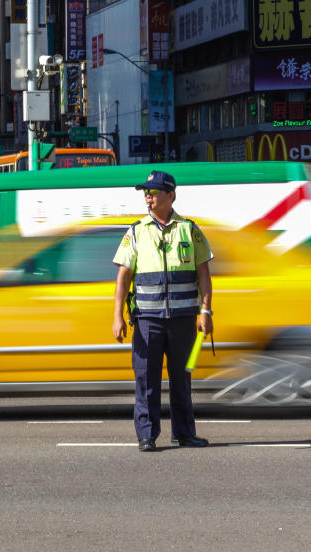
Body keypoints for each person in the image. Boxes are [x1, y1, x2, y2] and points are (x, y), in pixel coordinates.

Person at [112, 171, 213, 453]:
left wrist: (206, 311)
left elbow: (204, 273)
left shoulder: (189, 229)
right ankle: (147, 434)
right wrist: (117, 316)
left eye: (154, 192)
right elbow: (123, 276)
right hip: (147, 321)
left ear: (171, 195)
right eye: (146, 192)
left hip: (182, 320)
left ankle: (183, 433)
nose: (148, 196)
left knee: (182, 379)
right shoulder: (136, 231)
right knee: (146, 379)